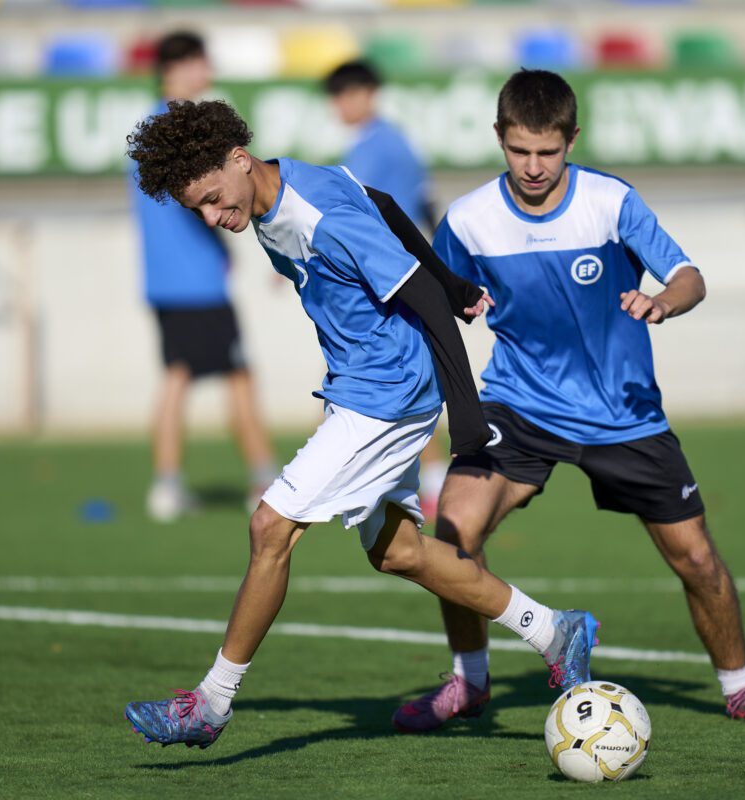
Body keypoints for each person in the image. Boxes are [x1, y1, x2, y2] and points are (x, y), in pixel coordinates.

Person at [122, 98, 600, 750]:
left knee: (271, 526)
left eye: (211, 198)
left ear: (238, 160)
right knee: (397, 550)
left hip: (387, 397)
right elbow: (379, 202)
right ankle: (553, 630)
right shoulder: (285, 184)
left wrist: (466, 417)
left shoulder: (318, 216)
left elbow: (419, 298)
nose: (212, 217)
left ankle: (210, 704)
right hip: (362, 390)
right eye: (197, 210)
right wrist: (454, 279)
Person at [392, 69, 745, 732]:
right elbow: (438, 299)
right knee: (454, 531)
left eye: (548, 152)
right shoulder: (469, 219)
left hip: (624, 413)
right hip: (519, 407)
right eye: (519, 151)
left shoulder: (609, 202)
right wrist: (459, 306)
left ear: (572, 139)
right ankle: (471, 681)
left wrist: (663, 300)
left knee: (695, 558)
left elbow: (689, 276)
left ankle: (740, 686)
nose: (534, 166)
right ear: (499, 138)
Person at [129, 31, 276, 522]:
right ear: (178, 67)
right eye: (201, 64)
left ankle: (166, 484)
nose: (207, 75)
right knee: (238, 377)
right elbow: (199, 202)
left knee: (176, 376)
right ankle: (264, 479)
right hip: (197, 282)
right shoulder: (178, 134)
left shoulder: (149, 131)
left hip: (163, 281)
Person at [323, 58, 447, 519]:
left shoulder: (375, 148)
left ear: (368, 94)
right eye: (337, 96)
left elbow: (352, 218)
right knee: (392, 372)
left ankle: (423, 475)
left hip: (389, 280)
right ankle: (416, 474)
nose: (342, 105)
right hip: (399, 276)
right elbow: (427, 202)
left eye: (349, 94)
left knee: (381, 372)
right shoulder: (391, 141)